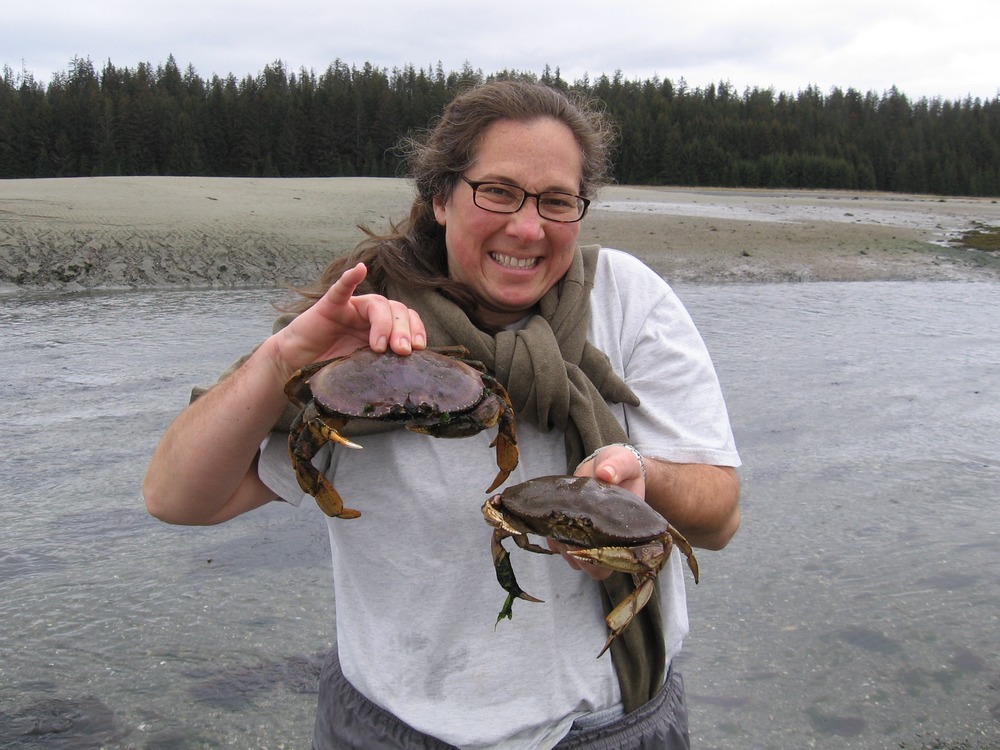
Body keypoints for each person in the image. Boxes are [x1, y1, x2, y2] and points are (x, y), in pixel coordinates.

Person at [144, 79, 741, 749]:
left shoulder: (628, 299)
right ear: (439, 197)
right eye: (499, 191)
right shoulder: (365, 333)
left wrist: (642, 483)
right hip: (392, 730)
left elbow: (719, 517)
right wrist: (287, 358)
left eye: (556, 200)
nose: (526, 226)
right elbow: (177, 498)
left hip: (612, 727)